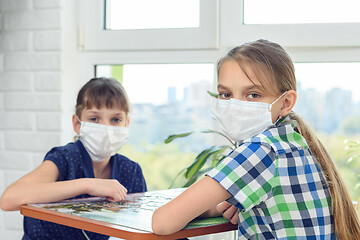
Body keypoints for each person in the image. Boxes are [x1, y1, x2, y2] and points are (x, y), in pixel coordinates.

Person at [152, 40, 360, 239]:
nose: (235, 105)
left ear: (286, 102)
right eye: (225, 95)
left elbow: (162, 222)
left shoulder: (260, 149)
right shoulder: (296, 143)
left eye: (253, 95)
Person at [0, 77, 147, 240]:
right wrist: (88, 184)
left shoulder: (131, 171)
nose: (106, 127)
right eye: (94, 119)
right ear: (77, 124)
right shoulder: (64, 158)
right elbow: (9, 199)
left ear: (126, 123)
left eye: (115, 120)